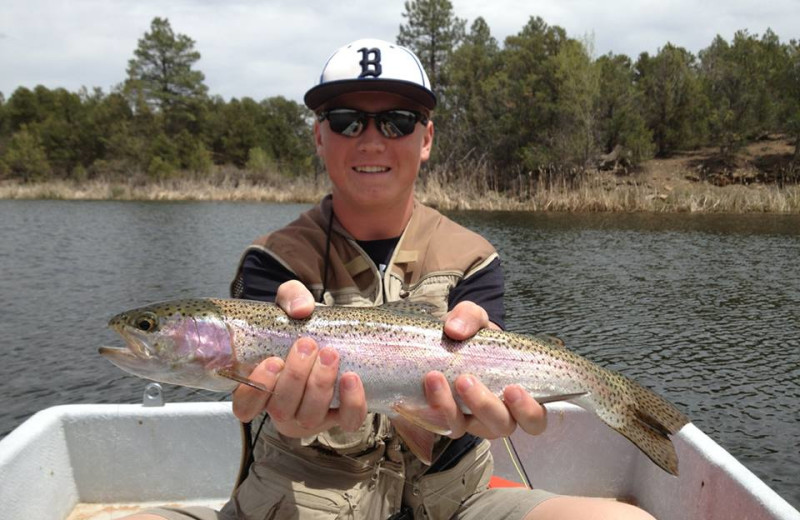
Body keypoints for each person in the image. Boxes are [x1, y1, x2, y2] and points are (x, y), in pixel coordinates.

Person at [131, 39, 655, 520]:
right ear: (319, 135)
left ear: (426, 138)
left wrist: (487, 406)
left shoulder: (474, 257)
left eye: (398, 122)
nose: (372, 140)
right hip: (303, 499)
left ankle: (617, 397)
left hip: (457, 502)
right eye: (346, 121)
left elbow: (484, 389)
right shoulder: (272, 259)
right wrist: (281, 414)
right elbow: (257, 403)